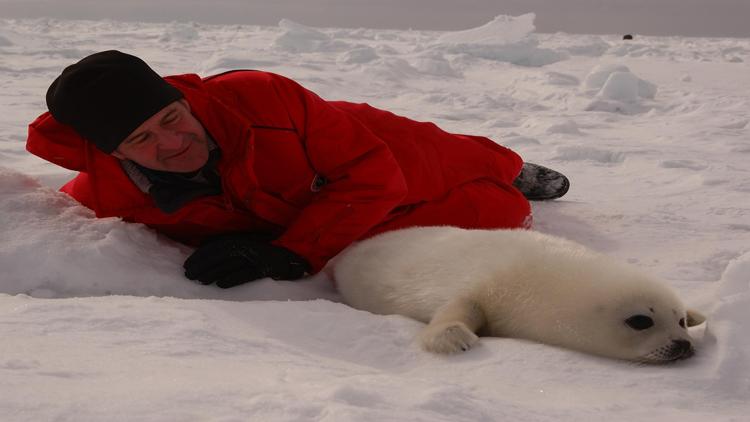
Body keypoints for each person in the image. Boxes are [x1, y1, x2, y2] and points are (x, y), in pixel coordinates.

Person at [27, 50, 569, 288]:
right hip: (306, 207)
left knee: (458, 159)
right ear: (114, 153)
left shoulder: (261, 97)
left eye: (172, 117)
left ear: (184, 102)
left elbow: (370, 172)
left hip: (366, 152)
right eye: (142, 139)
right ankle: (507, 191)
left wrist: (292, 252)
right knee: (497, 212)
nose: (173, 142)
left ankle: (509, 164)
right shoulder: (110, 195)